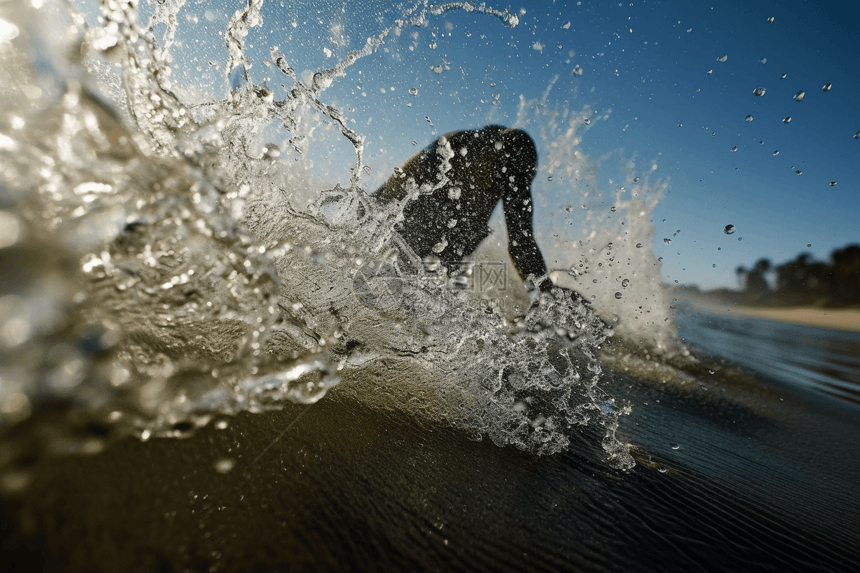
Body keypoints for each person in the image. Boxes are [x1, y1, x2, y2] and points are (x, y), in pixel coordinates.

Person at [373, 124, 555, 293]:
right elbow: (397, 185)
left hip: (453, 246)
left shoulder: (517, 172)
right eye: (498, 172)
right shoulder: (459, 145)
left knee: (453, 268)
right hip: (409, 219)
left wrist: (546, 294)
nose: (500, 183)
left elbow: (522, 244)